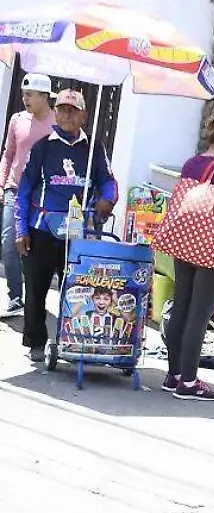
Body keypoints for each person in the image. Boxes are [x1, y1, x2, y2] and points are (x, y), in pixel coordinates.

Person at [15, 89, 117, 364]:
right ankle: (35, 340)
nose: (66, 115)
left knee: (76, 291)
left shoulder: (94, 148)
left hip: (78, 231)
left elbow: (108, 180)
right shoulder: (42, 147)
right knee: (35, 289)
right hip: (42, 228)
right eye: (61, 109)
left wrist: (108, 199)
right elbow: (24, 190)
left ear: (84, 115)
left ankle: (68, 341)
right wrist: (21, 229)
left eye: (72, 110)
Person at [161, 119, 214, 401]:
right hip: (213, 249)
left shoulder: (190, 164)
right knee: (199, 315)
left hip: (184, 243)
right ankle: (189, 381)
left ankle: (173, 375)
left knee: (181, 306)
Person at [0, 73, 55, 316]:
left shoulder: (57, 123)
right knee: (8, 241)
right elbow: (8, 154)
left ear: (45, 97)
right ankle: (15, 296)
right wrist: (1, 185)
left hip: (42, 195)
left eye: (30, 95)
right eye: (23, 94)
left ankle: (34, 300)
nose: (25, 99)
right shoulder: (17, 120)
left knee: (36, 249)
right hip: (14, 189)